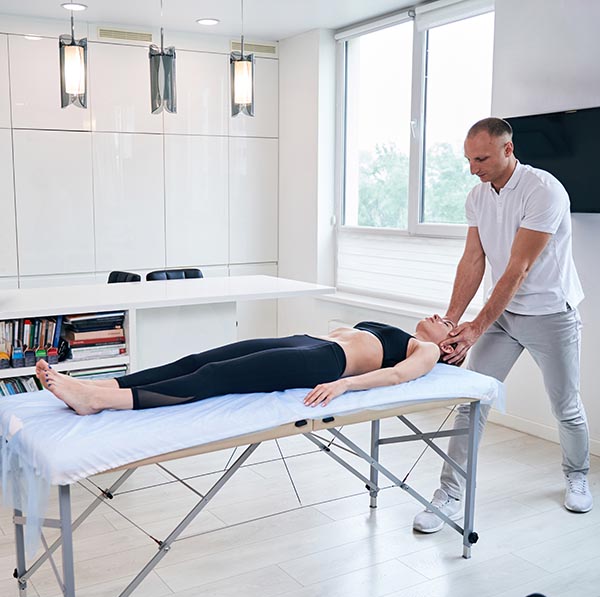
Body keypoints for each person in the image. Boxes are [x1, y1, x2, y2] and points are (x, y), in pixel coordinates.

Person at [412, 117, 592, 534]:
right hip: (505, 316)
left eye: (481, 158)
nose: (473, 168)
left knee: (565, 405)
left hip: (551, 313)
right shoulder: (478, 196)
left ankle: (577, 474)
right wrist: (453, 322)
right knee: (472, 399)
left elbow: (518, 269)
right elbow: (474, 261)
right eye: (468, 159)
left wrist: (475, 328)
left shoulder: (543, 190)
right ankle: (449, 497)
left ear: (508, 150)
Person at [36, 316, 456, 416]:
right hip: (307, 342)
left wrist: (345, 386)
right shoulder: (402, 330)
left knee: (216, 378)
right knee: (197, 359)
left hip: (325, 361)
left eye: (448, 325)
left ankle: (99, 400)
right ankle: (104, 380)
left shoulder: (427, 350)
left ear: (448, 346)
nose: (441, 318)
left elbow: (397, 375)